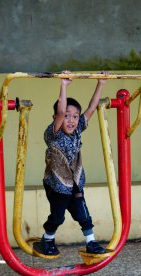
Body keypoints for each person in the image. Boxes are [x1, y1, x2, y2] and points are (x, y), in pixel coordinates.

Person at [38, 71, 108, 258]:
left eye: (75, 116)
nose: (71, 120)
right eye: (67, 116)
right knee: (58, 216)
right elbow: (61, 111)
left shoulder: (77, 131)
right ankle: (47, 239)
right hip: (56, 184)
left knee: (83, 214)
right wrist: (63, 86)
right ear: (56, 118)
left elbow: (91, 109)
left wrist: (100, 83)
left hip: (75, 182)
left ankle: (91, 242)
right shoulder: (53, 134)